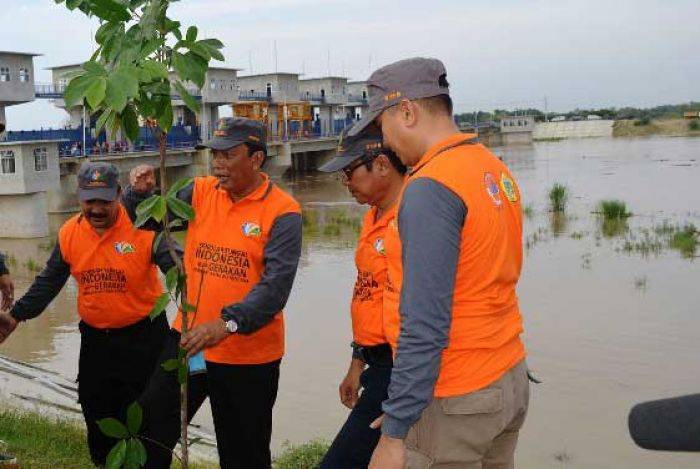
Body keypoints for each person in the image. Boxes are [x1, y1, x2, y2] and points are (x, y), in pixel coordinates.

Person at [348, 58, 530, 469]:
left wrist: (395, 432)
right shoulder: (491, 168)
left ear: (407, 112)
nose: (386, 143)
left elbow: (424, 322)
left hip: (456, 396)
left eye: (383, 128)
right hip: (507, 377)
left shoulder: (431, 186)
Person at [124, 117, 303, 468]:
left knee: (243, 453)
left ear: (256, 159)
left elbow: (274, 289)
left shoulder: (283, 212)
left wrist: (224, 325)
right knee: (150, 427)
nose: (217, 163)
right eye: (214, 154)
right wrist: (139, 194)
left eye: (227, 155)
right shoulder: (201, 191)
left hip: (246, 355)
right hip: (191, 343)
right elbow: (145, 220)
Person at [0, 162, 181, 467]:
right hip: (97, 343)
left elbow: (180, 268)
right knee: (98, 417)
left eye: (104, 201)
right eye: (89, 201)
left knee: (153, 421)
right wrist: (16, 315)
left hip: (145, 340)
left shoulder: (144, 226)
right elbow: (50, 280)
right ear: (78, 197)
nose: (96, 209)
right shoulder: (70, 232)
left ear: (119, 195)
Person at [317, 126, 407, 468]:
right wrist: (357, 362)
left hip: (403, 370)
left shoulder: (413, 217)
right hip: (378, 362)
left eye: (349, 172)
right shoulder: (373, 217)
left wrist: (406, 395)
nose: (346, 182)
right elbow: (368, 292)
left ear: (381, 165)